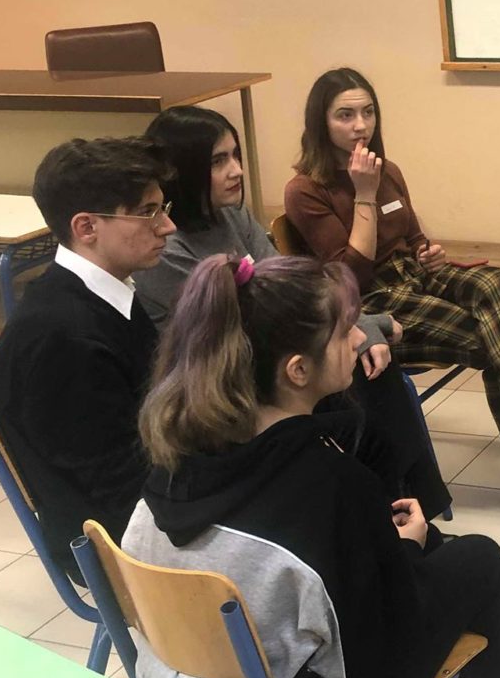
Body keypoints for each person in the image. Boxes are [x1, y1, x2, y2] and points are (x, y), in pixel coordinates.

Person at [124, 254, 500, 678]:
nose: (359, 338)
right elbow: (369, 662)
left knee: (432, 551)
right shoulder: (331, 485)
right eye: (343, 332)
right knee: (479, 559)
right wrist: (404, 551)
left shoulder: (172, 459)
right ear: (297, 370)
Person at [284, 68, 500, 523]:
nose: (360, 126)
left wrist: (427, 252)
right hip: (369, 304)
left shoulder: (388, 170)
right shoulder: (305, 190)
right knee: (498, 340)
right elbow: (349, 276)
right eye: (345, 115)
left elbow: (411, 237)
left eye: (368, 112)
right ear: (320, 122)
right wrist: (364, 194)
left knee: (494, 281)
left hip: (413, 277)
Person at [134, 105, 448, 517]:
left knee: (372, 365)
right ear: (182, 170)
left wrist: (358, 326)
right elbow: (254, 321)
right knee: (359, 390)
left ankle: (412, 510)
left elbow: (291, 290)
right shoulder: (167, 250)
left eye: (235, 155)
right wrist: (357, 326)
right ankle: (391, 514)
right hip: (231, 378)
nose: (237, 170)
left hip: (274, 357)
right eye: (218, 161)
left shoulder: (232, 215)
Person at [0, 137, 177, 577]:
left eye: (163, 208)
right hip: (121, 545)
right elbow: (123, 489)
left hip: (149, 494)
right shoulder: (63, 338)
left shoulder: (106, 292)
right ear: (86, 228)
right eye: (148, 212)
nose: (167, 226)